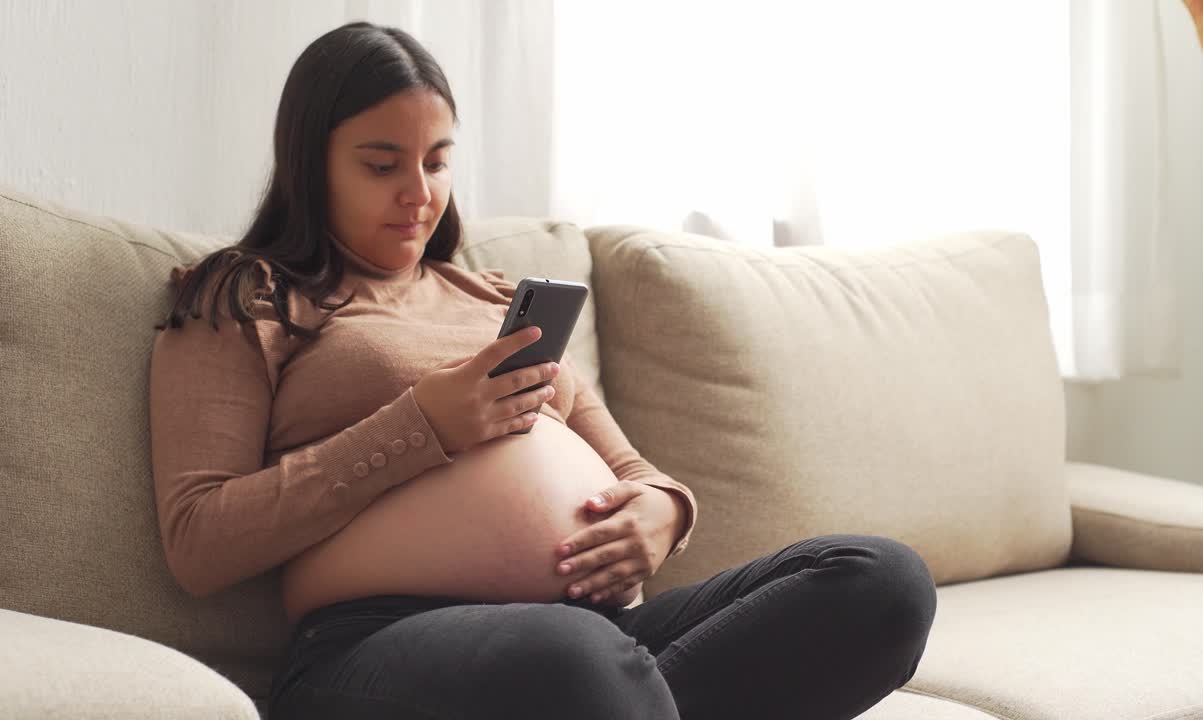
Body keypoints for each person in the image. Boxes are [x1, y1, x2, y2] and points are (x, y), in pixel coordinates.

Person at [148, 20, 937, 720]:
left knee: (882, 582)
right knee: (576, 662)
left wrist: (664, 516)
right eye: (382, 164)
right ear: (310, 163)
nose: (418, 195)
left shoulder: (493, 297)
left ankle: (626, 701)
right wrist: (423, 425)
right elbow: (199, 541)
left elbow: (637, 472)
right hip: (374, 643)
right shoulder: (245, 296)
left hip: (597, 636)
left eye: (437, 160)